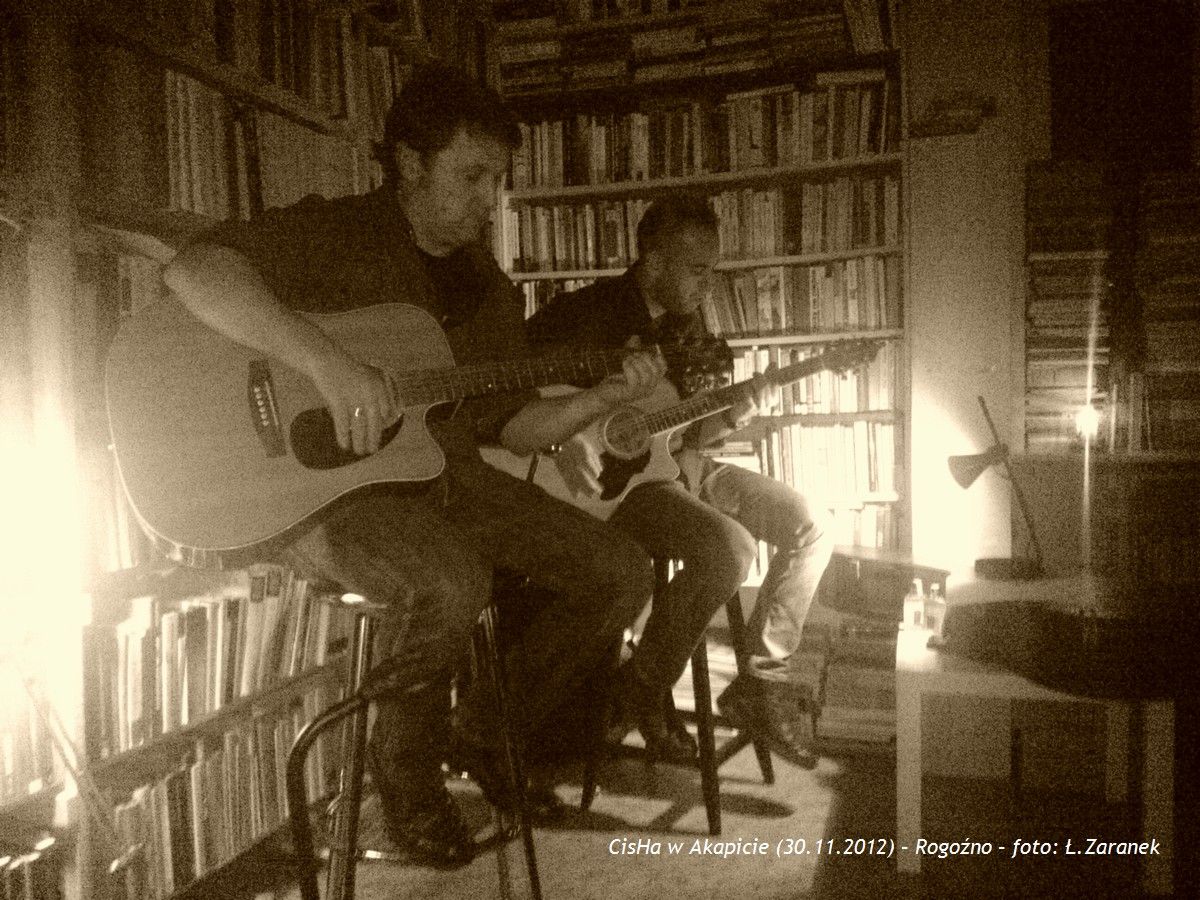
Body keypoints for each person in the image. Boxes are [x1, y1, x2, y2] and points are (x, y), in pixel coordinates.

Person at [162, 64, 661, 867]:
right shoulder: (338, 232)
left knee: (620, 571)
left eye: (498, 179)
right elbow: (194, 271)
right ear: (410, 163)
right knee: (453, 582)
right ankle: (404, 780)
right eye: (472, 176)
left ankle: (485, 734)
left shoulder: (490, 290)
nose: (489, 199)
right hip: (315, 491)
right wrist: (325, 363)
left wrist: (603, 396)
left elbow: (519, 428)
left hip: (442, 476)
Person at [526, 197, 834, 768]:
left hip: (678, 465)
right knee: (731, 549)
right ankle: (643, 693)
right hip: (619, 485)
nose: (707, 285)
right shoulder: (585, 314)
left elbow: (687, 434)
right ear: (653, 260)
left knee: (810, 524)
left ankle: (757, 683)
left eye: (712, 270)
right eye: (697, 271)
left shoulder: (688, 325)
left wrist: (737, 413)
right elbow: (516, 395)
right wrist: (562, 436)